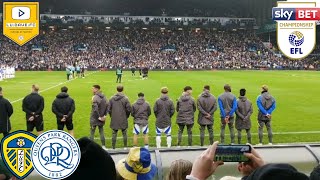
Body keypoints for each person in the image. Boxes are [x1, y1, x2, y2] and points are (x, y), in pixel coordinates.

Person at [109, 85, 131, 149]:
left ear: (117, 89)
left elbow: (109, 109)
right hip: (123, 118)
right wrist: (126, 116)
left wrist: (112, 115)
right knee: (124, 133)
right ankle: (125, 147)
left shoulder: (111, 98)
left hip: (114, 118)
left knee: (114, 133)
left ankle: (113, 147)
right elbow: (129, 109)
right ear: (123, 89)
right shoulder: (125, 98)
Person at [89, 85, 108, 150]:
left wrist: (99, 117)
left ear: (96, 89)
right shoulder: (104, 96)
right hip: (102, 117)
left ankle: (90, 147)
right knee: (101, 131)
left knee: (92, 132)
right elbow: (107, 106)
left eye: (93, 88)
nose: (92, 90)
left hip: (95, 118)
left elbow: (95, 109)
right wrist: (105, 115)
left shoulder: (95, 97)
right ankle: (103, 146)